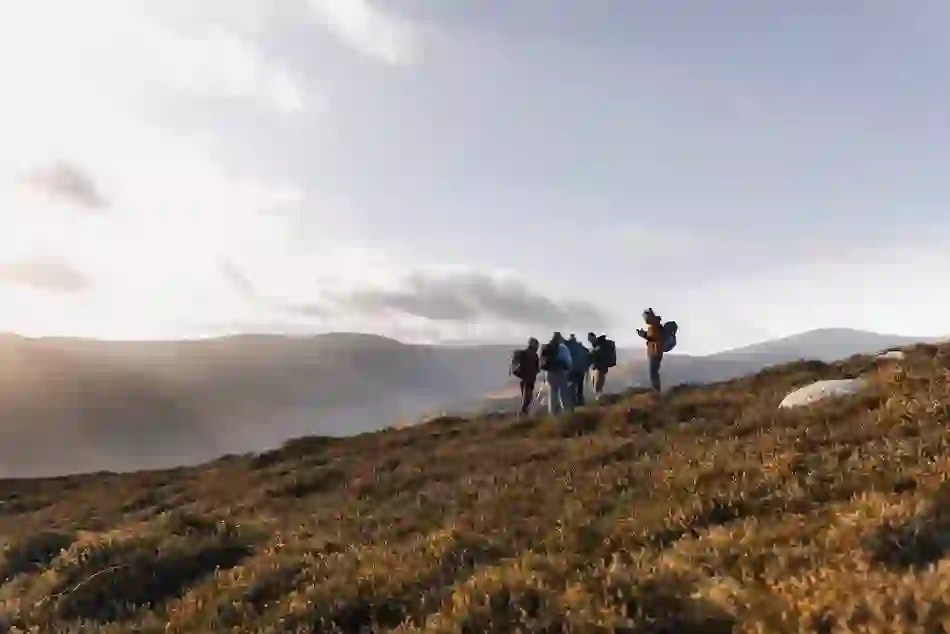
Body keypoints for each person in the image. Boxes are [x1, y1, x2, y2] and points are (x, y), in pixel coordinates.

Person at [539, 331, 574, 414]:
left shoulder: (546, 347)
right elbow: (568, 360)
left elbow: (543, 361)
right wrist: (569, 369)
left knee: (552, 392)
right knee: (563, 392)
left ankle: (553, 412)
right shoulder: (563, 348)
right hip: (561, 371)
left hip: (549, 372)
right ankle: (566, 411)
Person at [509, 337, 540, 416]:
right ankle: (523, 415)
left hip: (524, 379)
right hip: (529, 380)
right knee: (527, 400)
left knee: (526, 399)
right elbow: (538, 368)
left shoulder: (525, 354)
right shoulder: (534, 355)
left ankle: (524, 415)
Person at [637, 308, 664, 393]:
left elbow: (655, 338)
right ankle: (656, 390)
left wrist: (643, 335)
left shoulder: (655, 325)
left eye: (645, 318)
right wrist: (644, 335)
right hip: (654, 351)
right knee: (654, 372)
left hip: (655, 351)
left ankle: (656, 391)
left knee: (653, 372)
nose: (645, 320)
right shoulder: (653, 325)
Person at [566, 334, 591, 406]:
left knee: (571, 387)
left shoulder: (567, 347)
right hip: (580, 370)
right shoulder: (581, 347)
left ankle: (572, 402)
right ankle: (580, 402)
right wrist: (586, 366)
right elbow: (588, 357)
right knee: (580, 387)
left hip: (571, 370)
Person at [587, 332, 610, 400]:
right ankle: (600, 399)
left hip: (600, 368)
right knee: (597, 385)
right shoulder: (597, 344)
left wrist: (591, 355)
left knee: (597, 386)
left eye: (590, 338)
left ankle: (600, 400)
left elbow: (599, 354)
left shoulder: (599, 345)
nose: (589, 340)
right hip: (599, 367)